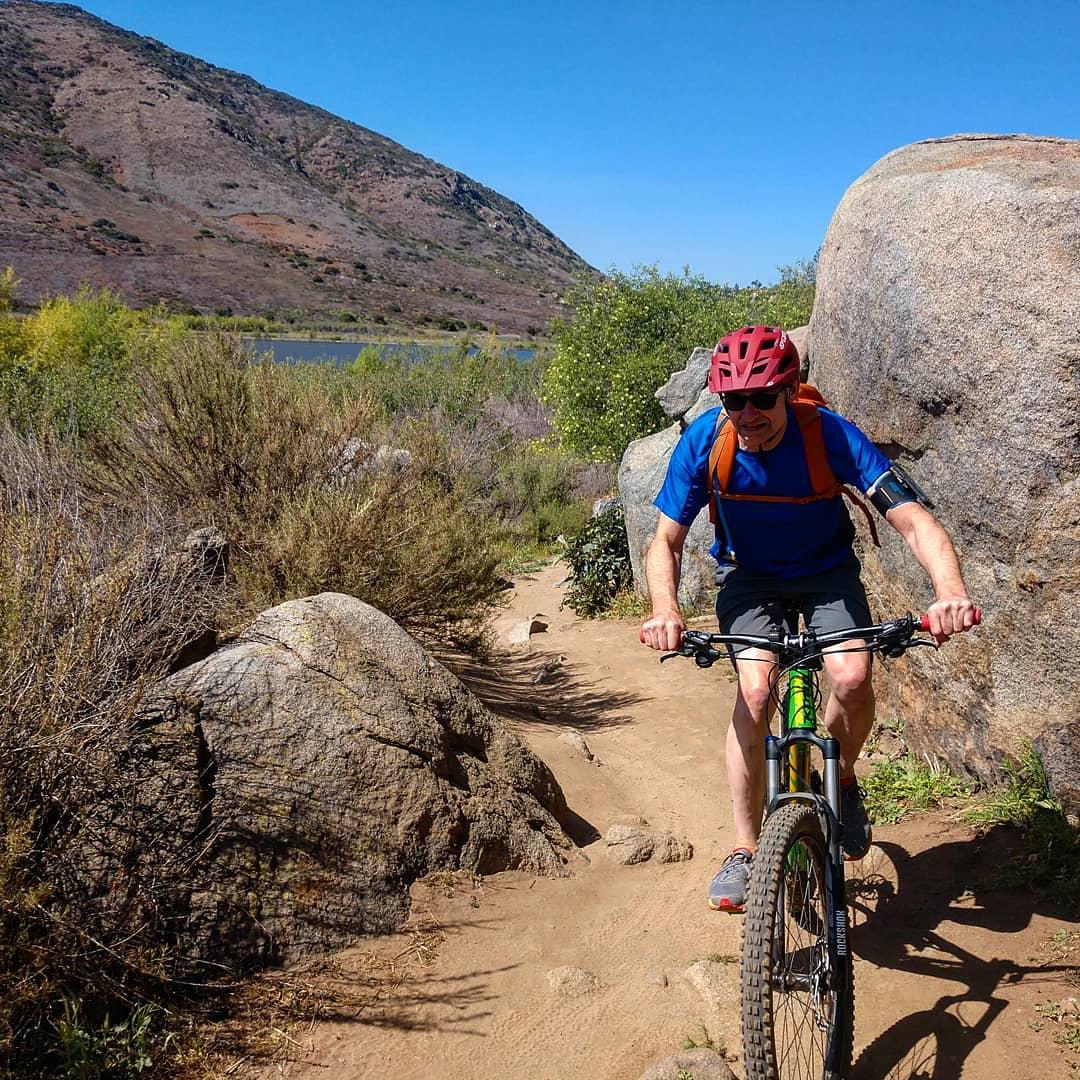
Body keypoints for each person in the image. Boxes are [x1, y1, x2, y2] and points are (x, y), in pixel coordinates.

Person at [638, 325, 979, 913]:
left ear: (790, 391)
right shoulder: (705, 442)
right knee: (753, 690)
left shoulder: (830, 435)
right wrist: (665, 609)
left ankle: (840, 776)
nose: (747, 414)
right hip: (749, 580)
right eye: (733, 400)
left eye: (762, 398)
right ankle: (746, 849)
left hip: (826, 574)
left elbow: (914, 520)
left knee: (850, 677)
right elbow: (664, 541)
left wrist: (948, 592)